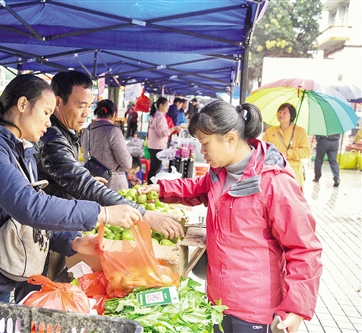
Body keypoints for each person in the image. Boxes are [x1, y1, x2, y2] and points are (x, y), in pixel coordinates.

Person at [0, 74, 142, 315]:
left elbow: (26, 219)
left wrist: (73, 241)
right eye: (46, 112)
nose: (49, 122)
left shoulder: (20, 150)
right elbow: (28, 206)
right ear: (22, 105)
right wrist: (101, 213)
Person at [138, 100, 322, 333]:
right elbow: (198, 188)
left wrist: (296, 309)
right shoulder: (220, 173)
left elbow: (304, 248)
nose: (202, 152)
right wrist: (163, 189)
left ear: (231, 139)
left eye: (205, 144)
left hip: (255, 309)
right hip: (218, 300)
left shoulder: (274, 182)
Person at [14, 71, 185, 301]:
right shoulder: (51, 137)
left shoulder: (67, 133)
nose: (86, 113)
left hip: (52, 229)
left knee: (42, 288)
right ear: (58, 102)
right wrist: (142, 214)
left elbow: (67, 177)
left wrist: (77, 182)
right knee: (34, 293)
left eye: (89, 106)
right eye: (80, 105)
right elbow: (78, 185)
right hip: (39, 233)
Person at [81, 99, 132, 191]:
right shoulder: (114, 131)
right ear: (114, 114)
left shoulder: (87, 130)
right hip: (113, 185)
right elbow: (127, 163)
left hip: (92, 183)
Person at [262, 103, 311, 187]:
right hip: (274, 170)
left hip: (293, 171)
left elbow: (306, 151)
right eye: (280, 112)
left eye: (285, 112)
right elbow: (263, 149)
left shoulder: (300, 131)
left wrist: (288, 154)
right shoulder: (270, 131)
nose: (281, 114)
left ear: (291, 116)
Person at [147, 97, 181, 184]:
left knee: (154, 168)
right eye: (166, 106)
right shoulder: (160, 117)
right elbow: (162, 133)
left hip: (153, 145)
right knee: (155, 169)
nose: (168, 108)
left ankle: (150, 185)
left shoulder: (154, 114)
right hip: (157, 146)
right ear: (161, 105)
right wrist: (174, 128)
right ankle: (151, 186)